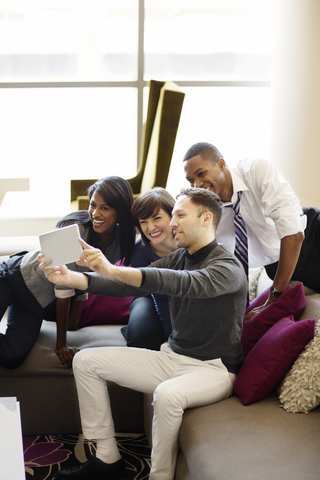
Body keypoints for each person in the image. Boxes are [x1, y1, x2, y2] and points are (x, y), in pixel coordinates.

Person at [39, 187, 247, 480]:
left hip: (214, 370)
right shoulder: (180, 258)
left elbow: (182, 283)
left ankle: (159, 476)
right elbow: (131, 286)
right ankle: (107, 459)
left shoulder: (227, 266)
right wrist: (73, 277)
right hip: (172, 358)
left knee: (166, 395)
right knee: (85, 361)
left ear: (205, 219)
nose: (172, 222)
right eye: (172, 215)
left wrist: (110, 269)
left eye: (180, 215)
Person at [0, 176, 135, 369]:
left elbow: (84, 281)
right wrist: (61, 345)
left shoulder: (121, 243)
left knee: (12, 357)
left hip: (33, 303)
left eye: (104, 208)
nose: (95, 213)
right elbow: (63, 290)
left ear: (120, 211)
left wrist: (74, 321)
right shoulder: (75, 231)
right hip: (12, 278)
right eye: (92, 205)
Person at [183, 142, 312, 316]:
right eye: (191, 180)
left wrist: (273, 297)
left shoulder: (256, 170)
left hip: (311, 238)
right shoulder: (206, 211)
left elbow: (293, 234)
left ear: (221, 164)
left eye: (201, 173)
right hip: (277, 264)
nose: (197, 184)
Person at [122, 187, 176, 350]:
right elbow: (160, 298)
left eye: (157, 218)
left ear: (173, 215)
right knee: (142, 337)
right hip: (151, 297)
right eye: (143, 221)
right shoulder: (139, 253)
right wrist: (169, 336)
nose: (150, 227)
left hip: (188, 296)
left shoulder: (190, 241)